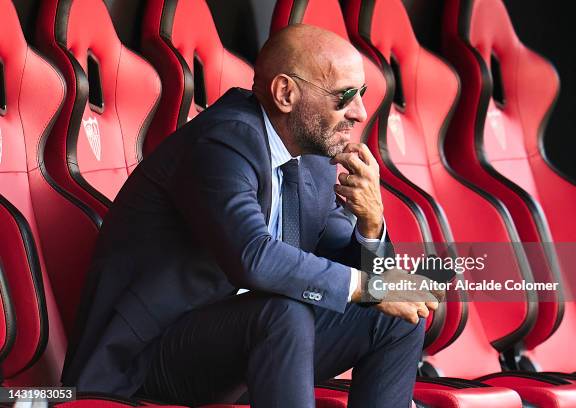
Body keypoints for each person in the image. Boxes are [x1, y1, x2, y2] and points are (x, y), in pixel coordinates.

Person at [61, 24, 441, 407]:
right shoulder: (223, 141)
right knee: (284, 312)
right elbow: (252, 257)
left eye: (362, 93)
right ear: (285, 93)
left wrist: (371, 225)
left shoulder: (314, 161)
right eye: (344, 96)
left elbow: (364, 278)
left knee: (397, 313)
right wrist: (371, 289)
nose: (359, 112)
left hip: (254, 349)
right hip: (150, 355)